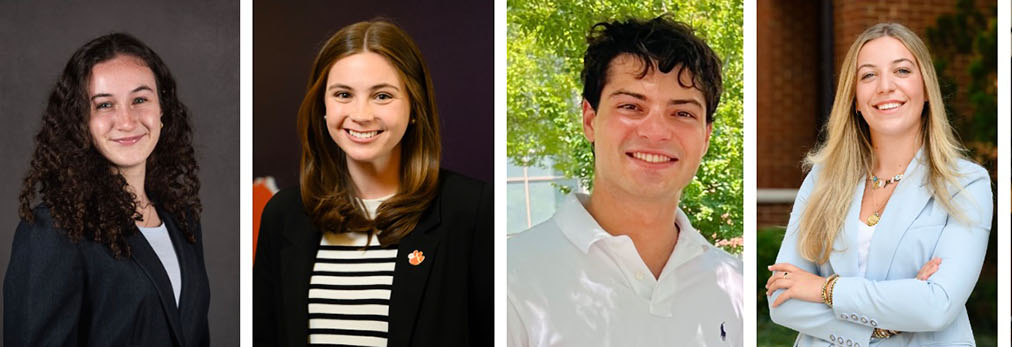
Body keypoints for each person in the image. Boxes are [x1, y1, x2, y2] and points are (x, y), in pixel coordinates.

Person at [252, 19, 493, 346]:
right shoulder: (283, 215)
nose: (361, 114)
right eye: (343, 94)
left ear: (414, 108)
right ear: (322, 106)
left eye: (382, 95)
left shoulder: (470, 210)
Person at [506, 15, 743, 346]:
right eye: (631, 106)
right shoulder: (510, 279)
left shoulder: (734, 285)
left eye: (682, 113)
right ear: (590, 120)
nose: (656, 132)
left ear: (705, 138)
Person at [764, 22, 994, 346]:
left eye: (901, 71)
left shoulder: (966, 183)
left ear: (926, 89)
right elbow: (783, 299)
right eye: (868, 75)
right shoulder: (822, 179)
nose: (885, 86)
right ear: (855, 99)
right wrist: (888, 323)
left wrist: (824, 289)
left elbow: (936, 306)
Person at [4, 33, 210, 346]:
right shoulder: (54, 231)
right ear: (80, 121)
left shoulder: (183, 222)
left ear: (163, 110)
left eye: (140, 100)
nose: (126, 121)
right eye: (104, 105)